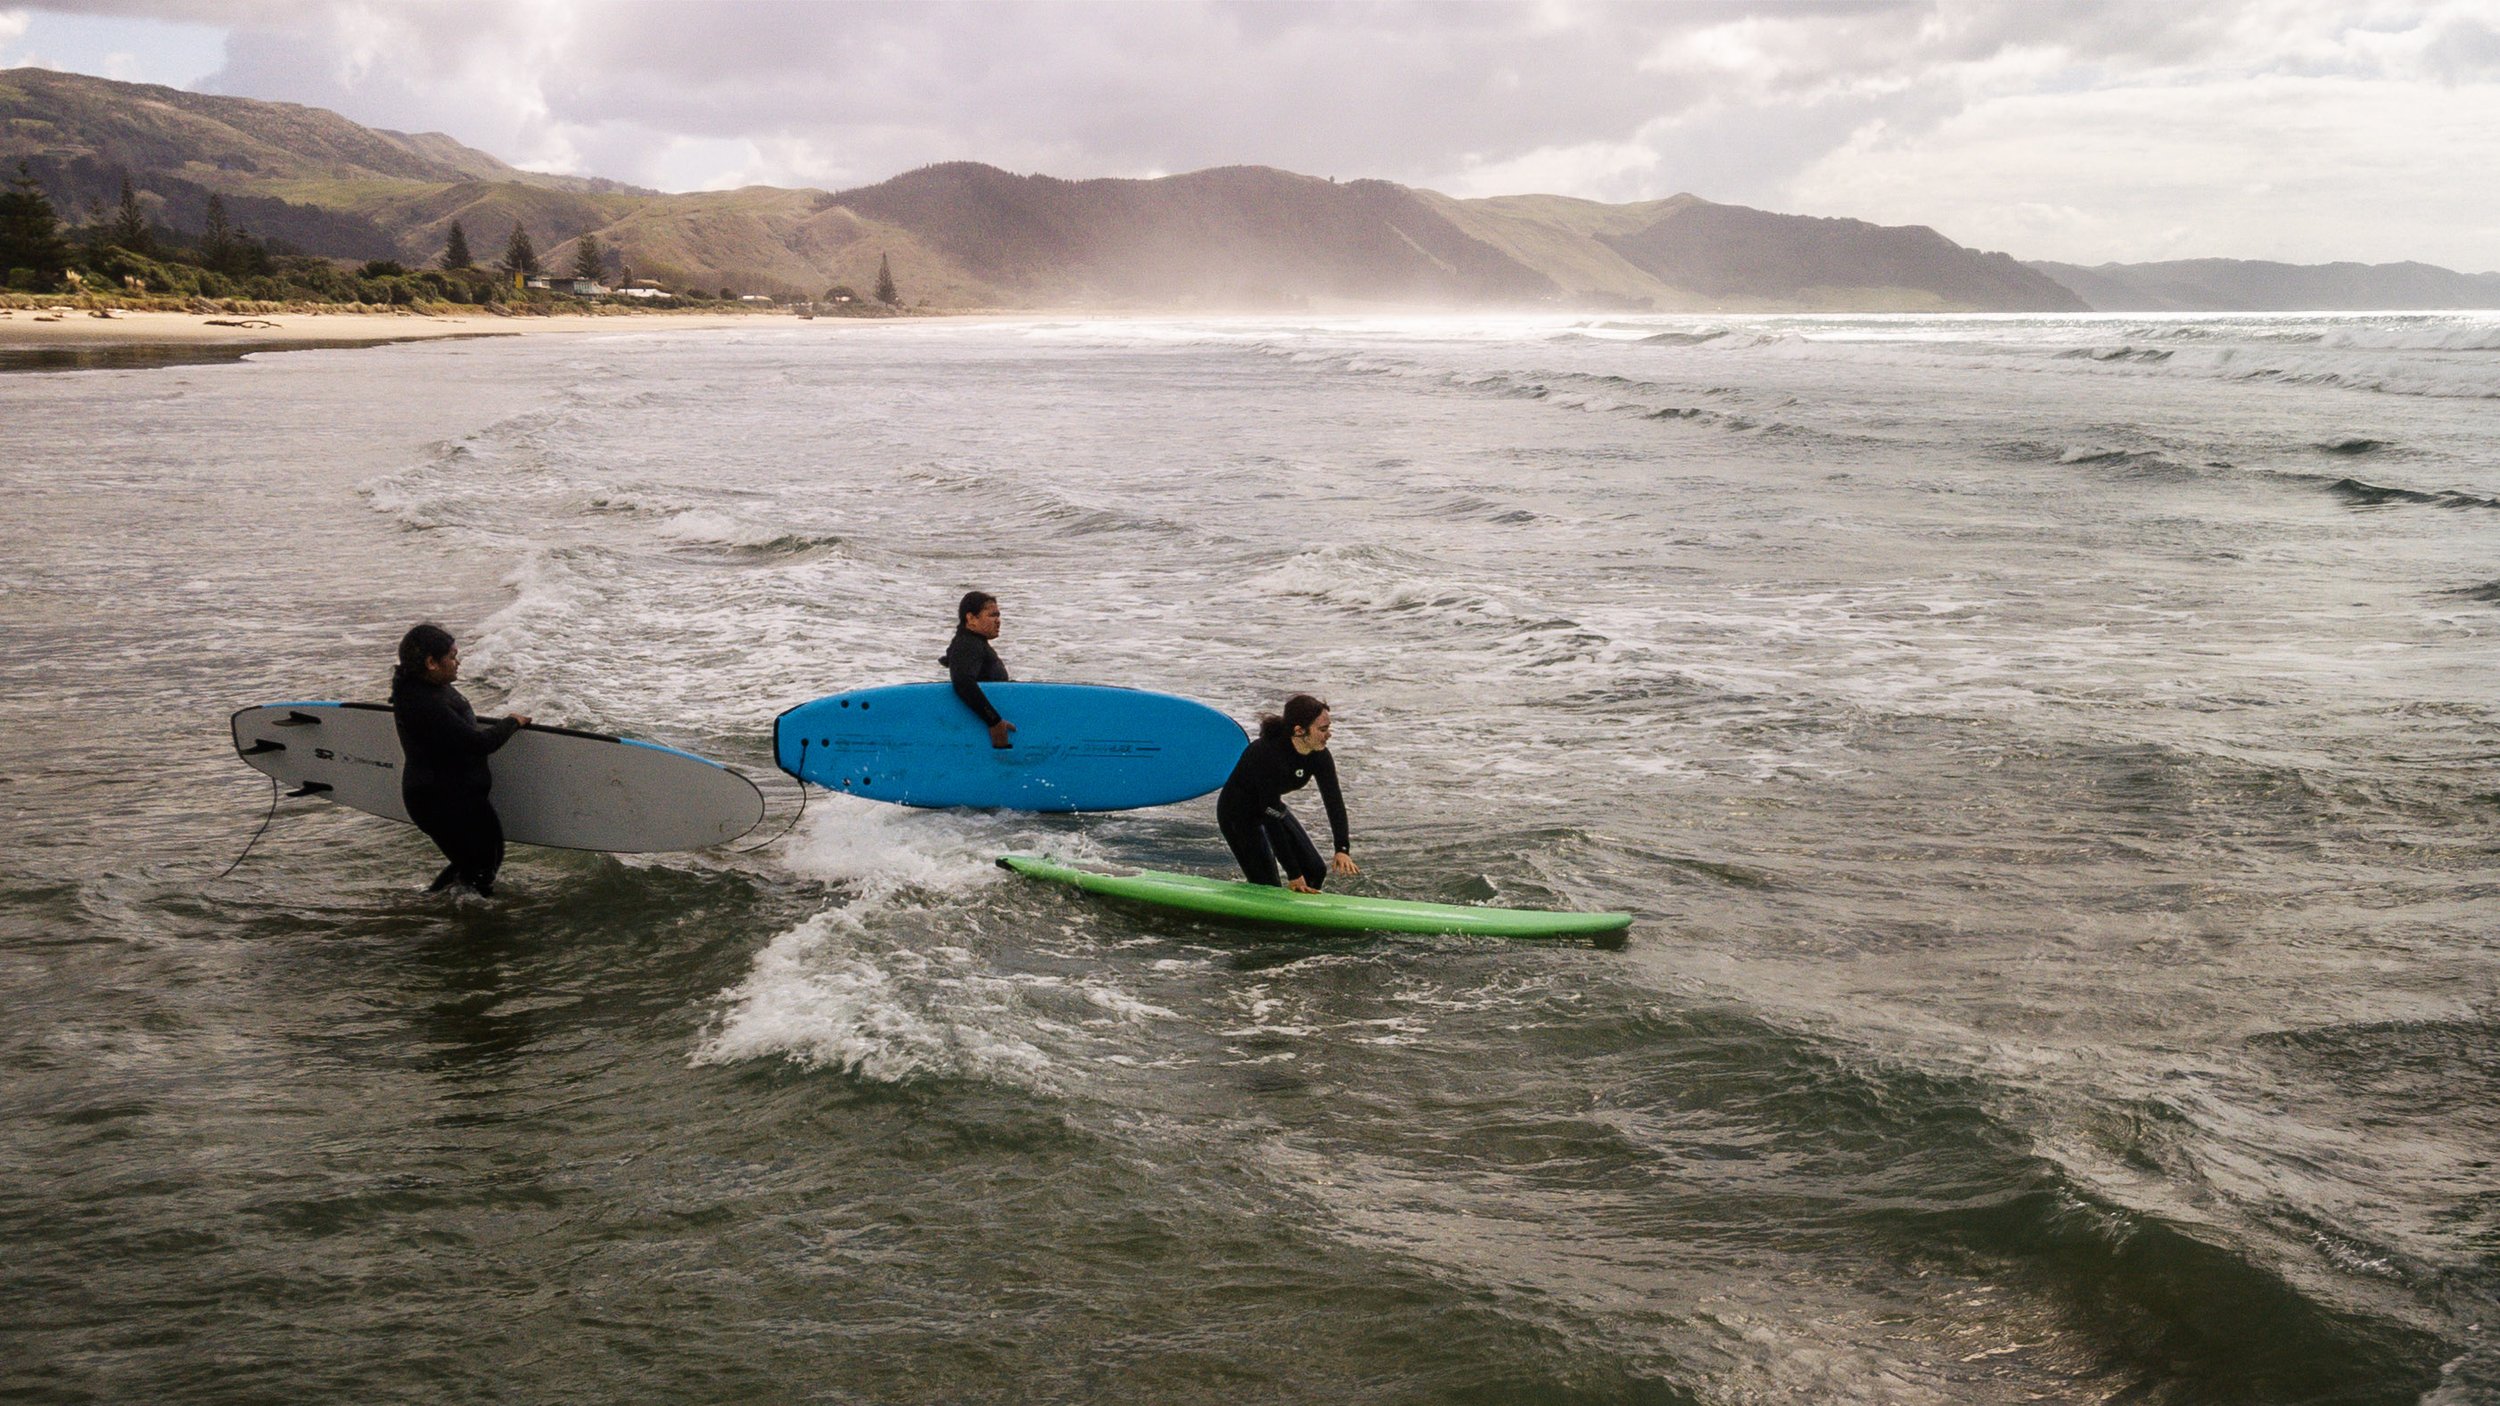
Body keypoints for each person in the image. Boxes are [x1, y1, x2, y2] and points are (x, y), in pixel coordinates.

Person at [390, 623, 528, 897]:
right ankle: (461, 915)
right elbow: (478, 743)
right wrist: (512, 722)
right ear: (431, 662)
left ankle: (436, 908)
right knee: (480, 867)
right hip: (440, 799)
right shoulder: (423, 702)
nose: (458, 662)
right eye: (452, 657)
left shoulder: (428, 686)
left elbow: (457, 732)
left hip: (457, 794)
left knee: (483, 861)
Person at [1217, 694, 1358, 892]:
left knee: (1315, 871)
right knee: (1268, 885)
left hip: (1272, 808)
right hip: (1238, 815)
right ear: (1299, 731)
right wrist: (1293, 873)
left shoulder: (1319, 755)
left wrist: (1342, 848)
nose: (1329, 735)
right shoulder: (1266, 754)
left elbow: (1334, 802)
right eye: (1323, 729)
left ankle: (1304, 917)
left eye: (1329, 728)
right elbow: (1270, 815)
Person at [942, 589, 1015, 748]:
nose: (998, 621)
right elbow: (962, 681)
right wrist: (994, 722)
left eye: (998, 615)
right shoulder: (968, 644)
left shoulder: (974, 643)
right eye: (992, 615)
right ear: (971, 618)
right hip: (986, 731)